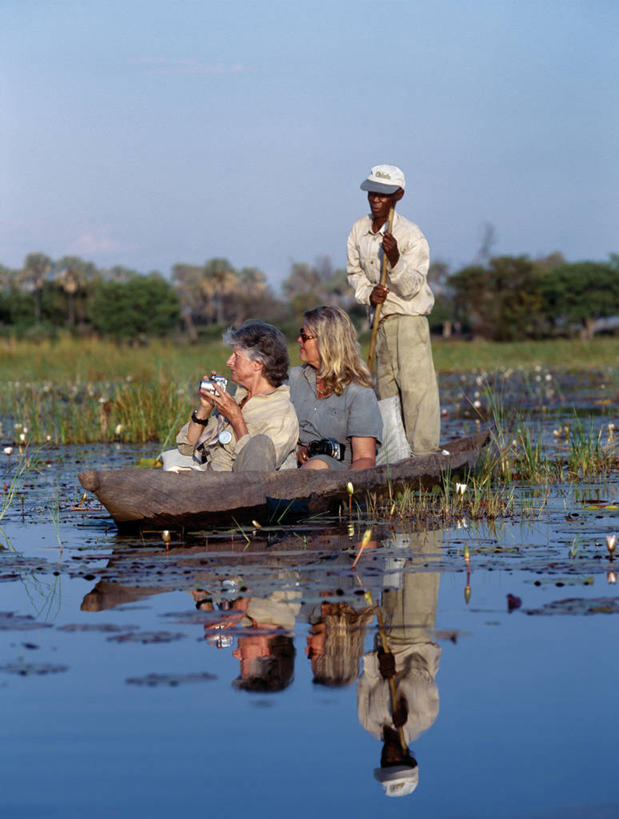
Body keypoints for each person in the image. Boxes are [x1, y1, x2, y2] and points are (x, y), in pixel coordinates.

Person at [347, 164, 440, 455]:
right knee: (387, 390)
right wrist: (367, 294)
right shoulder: (359, 230)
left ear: (398, 196)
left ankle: (424, 454)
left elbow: (412, 287)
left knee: (416, 391)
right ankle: (396, 455)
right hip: (381, 321)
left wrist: (396, 259)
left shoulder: (411, 234)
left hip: (410, 321)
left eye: (384, 194)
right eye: (373, 192)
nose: (376, 199)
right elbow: (354, 273)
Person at [175, 320, 298, 472]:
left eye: (236, 356)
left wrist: (236, 419)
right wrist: (205, 408)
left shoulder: (282, 414)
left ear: (257, 364)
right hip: (211, 480)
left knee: (260, 443)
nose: (228, 362)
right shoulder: (238, 399)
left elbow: (257, 471)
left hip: (241, 491)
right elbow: (187, 448)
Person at [289, 305, 382, 470]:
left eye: (304, 336)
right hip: (290, 466)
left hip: (336, 475)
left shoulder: (359, 393)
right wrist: (296, 450)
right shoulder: (294, 378)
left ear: (327, 343)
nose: (299, 340)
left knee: (317, 465)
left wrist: (347, 491)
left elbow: (364, 459)